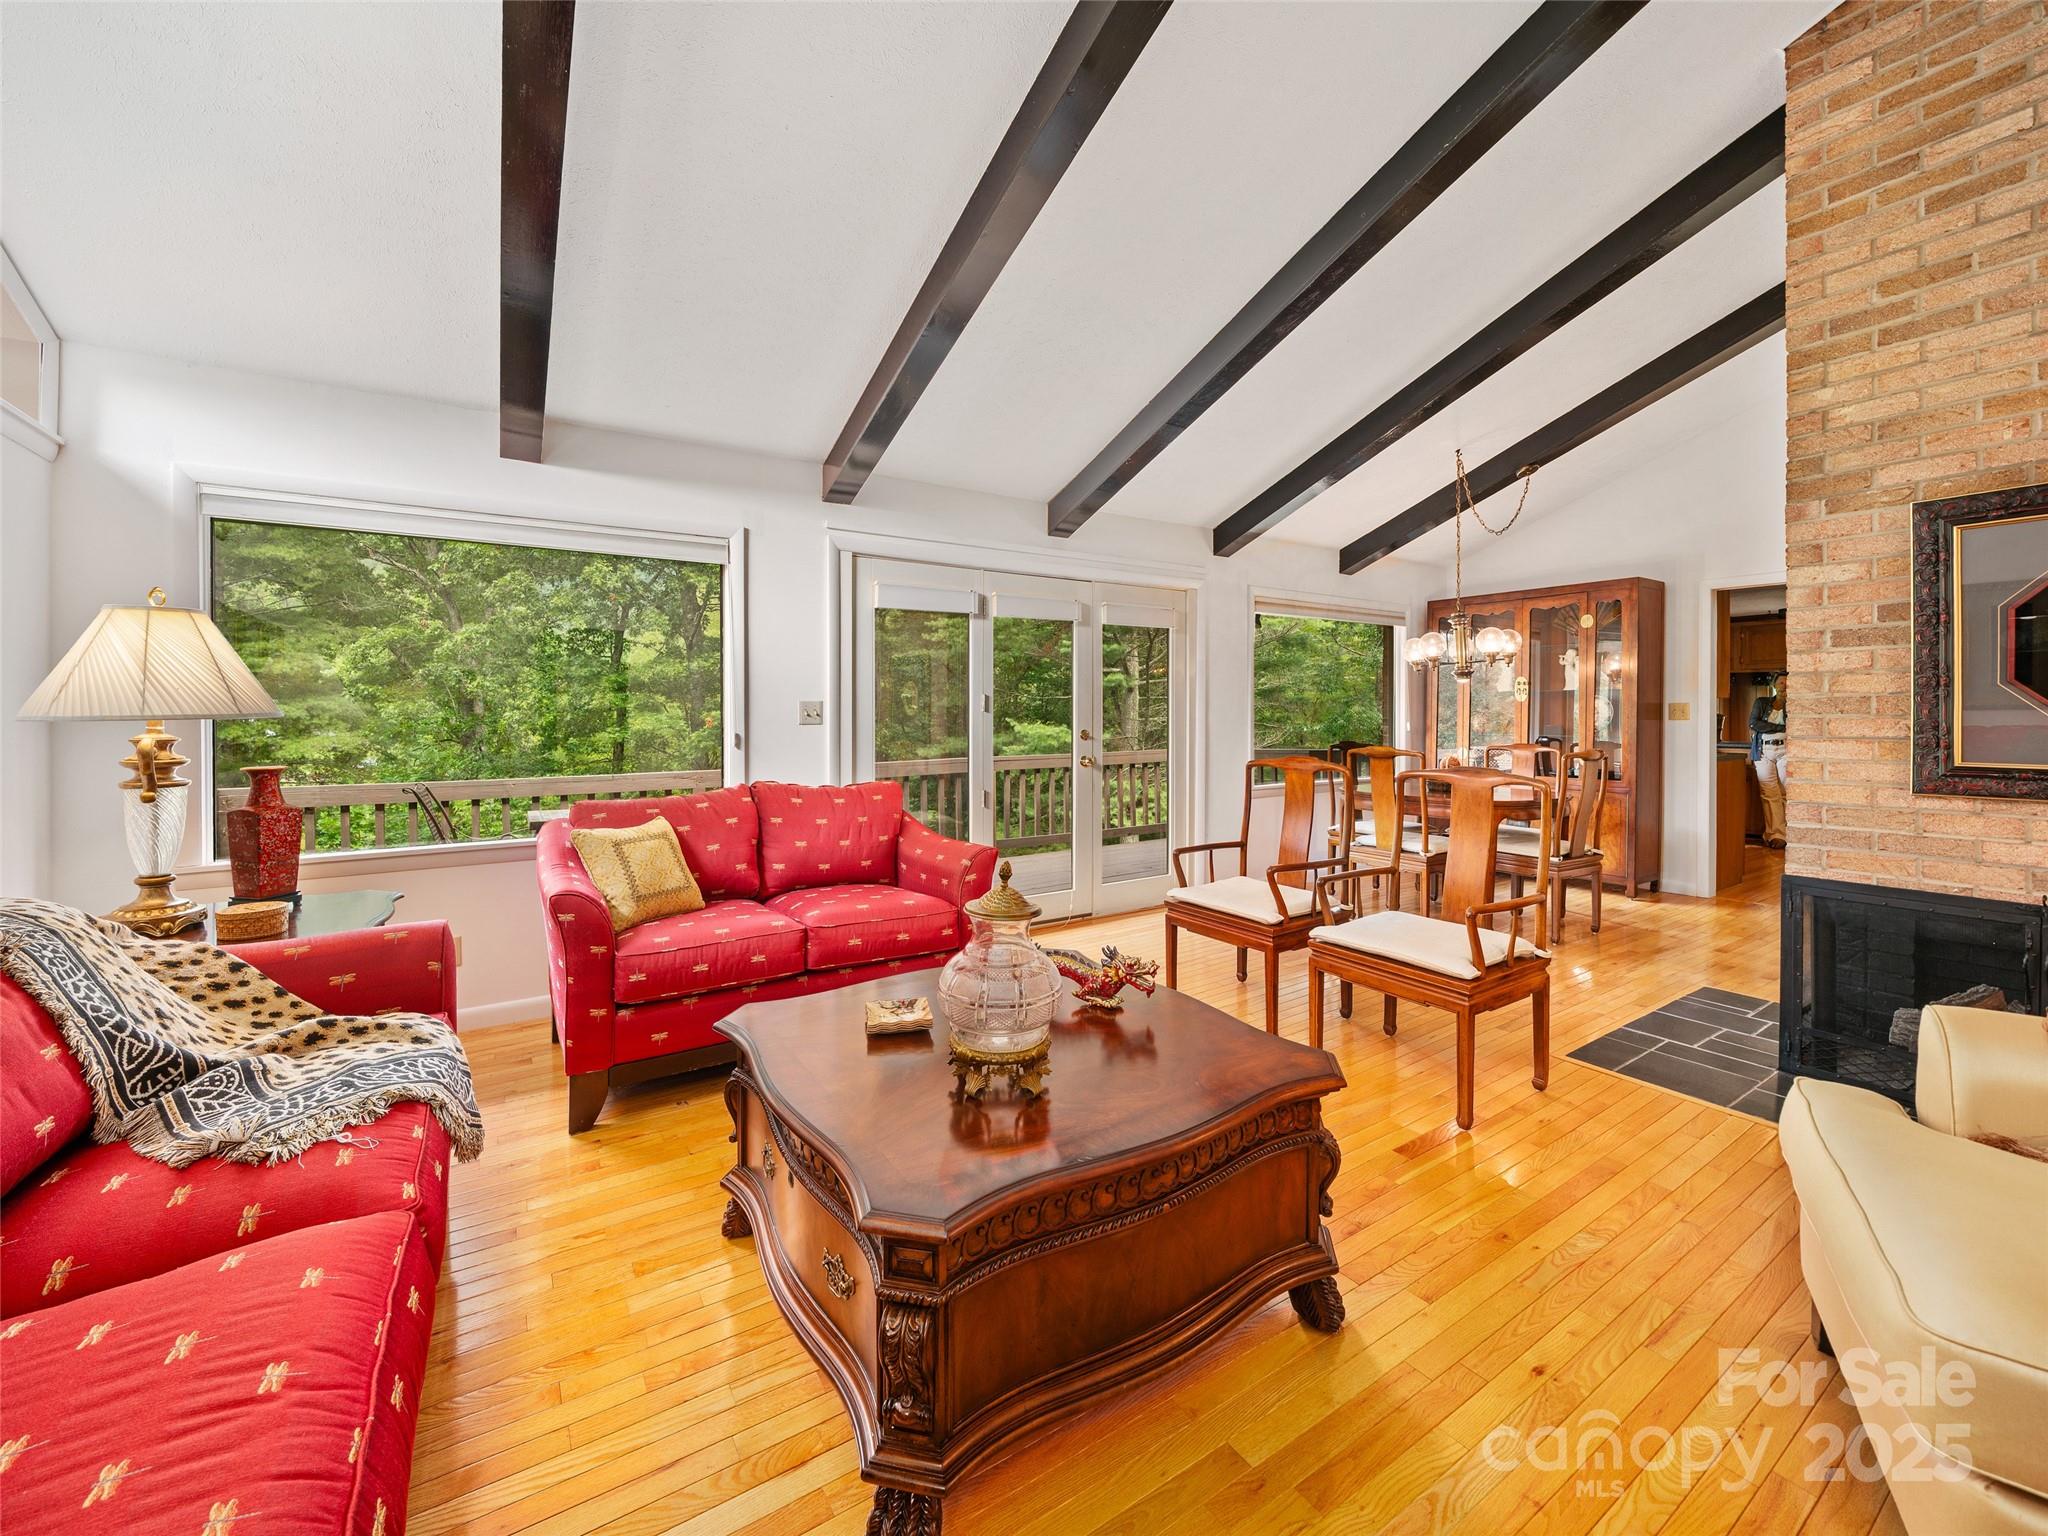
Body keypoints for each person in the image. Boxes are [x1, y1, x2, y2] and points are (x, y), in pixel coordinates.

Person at [1749, 673, 1788, 850]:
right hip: (1763, 750)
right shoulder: (1762, 702)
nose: (1784, 685)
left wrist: (1773, 728)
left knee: (1788, 792)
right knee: (1769, 793)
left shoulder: (1795, 703)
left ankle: (1792, 833)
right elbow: (1754, 724)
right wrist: (1780, 727)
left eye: (1787, 682)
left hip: (1787, 750)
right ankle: (1776, 835)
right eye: (1780, 682)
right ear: (1774, 684)